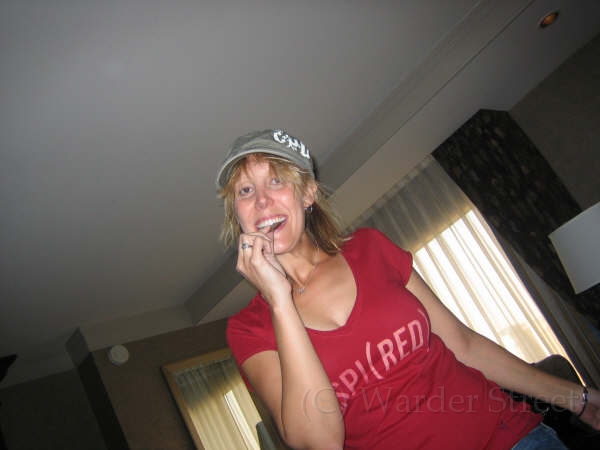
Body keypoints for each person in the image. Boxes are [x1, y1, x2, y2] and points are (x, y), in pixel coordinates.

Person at [216, 129, 599, 450]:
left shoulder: (370, 249)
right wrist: (279, 300)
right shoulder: (249, 329)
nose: (262, 200)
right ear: (237, 213)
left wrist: (577, 398)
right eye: (245, 191)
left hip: (513, 439)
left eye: (277, 180)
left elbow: (464, 345)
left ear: (308, 194)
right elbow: (321, 441)